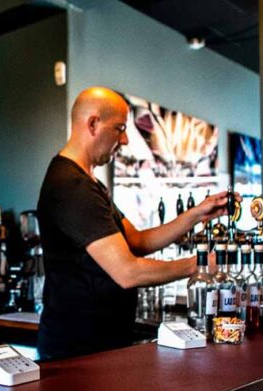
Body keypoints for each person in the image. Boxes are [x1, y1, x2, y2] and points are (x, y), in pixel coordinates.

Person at [36, 86, 234, 360]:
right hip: (77, 352)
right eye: (120, 128)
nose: (126, 139)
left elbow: (137, 241)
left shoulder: (89, 184)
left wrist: (197, 214)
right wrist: (199, 265)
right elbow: (128, 272)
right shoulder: (72, 187)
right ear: (93, 124)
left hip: (98, 345)